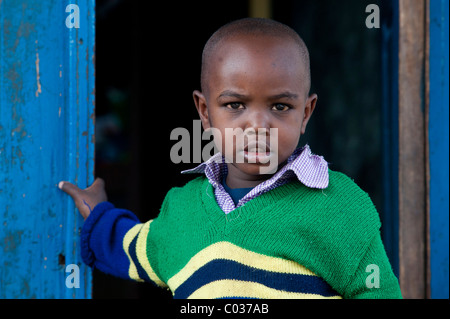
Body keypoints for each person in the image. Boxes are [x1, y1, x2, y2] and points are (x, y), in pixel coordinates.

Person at [59, 18, 402, 299]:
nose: (257, 125)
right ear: (205, 112)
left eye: (280, 106)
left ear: (306, 113)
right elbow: (133, 247)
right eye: (235, 105)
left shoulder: (339, 207)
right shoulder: (182, 212)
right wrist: (98, 213)